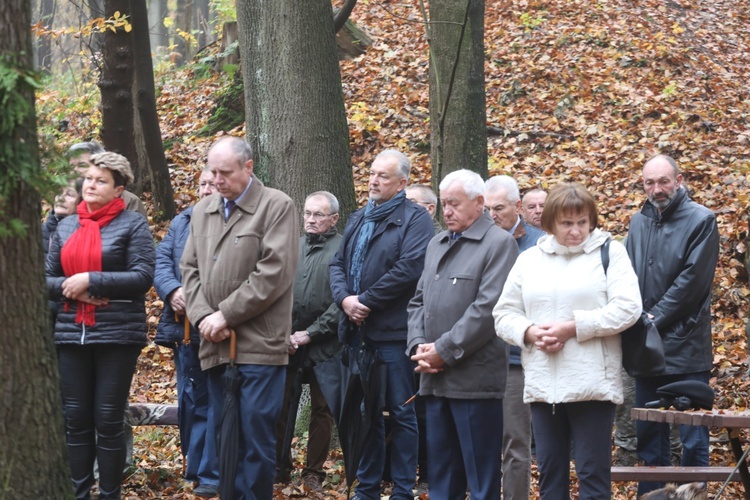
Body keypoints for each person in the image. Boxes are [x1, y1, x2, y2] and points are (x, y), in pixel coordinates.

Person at [493, 182, 642, 499]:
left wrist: (573, 327)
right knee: (550, 476)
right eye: (567, 223)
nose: (576, 231)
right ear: (549, 222)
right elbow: (503, 313)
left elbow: (628, 308)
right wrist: (530, 332)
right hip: (543, 385)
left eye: (582, 222)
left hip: (592, 384)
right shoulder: (530, 259)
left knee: (592, 475)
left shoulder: (609, 252)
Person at [180, 136, 299, 499]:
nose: (216, 179)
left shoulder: (277, 206)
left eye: (225, 172)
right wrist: (203, 317)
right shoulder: (204, 210)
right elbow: (189, 269)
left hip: (259, 347)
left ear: (248, 168)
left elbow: (273, 273)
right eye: (212, 171)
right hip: (215, 344)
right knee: (223, 438)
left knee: (255, 438)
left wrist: (225, 314)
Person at [46, 152, 155, 499]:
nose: (91, 185)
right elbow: (45, 279)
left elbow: (142, 277)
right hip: (69, 332)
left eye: (101, 181)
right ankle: (79, 494)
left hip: (117, 335)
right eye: (89, 179)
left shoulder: (133, 224)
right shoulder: (65, 226)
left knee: (108, 419)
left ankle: (109, 494)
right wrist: (74, 288)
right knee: (75, 418)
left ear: (118, 190)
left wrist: (91, 280)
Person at [329, 149, 434, 500]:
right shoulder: (361, 217)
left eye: (383, 176)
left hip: (394, 335)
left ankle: (403, 490)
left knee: (403, 414)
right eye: (372, 173)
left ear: (402, 183)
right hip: (358, 334)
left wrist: (366, 301)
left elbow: (409, 268)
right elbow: (337, 263)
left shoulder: (416, 218)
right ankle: (368, 488)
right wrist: (346, 300)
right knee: (365, 413)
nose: (373, 180)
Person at [407, 169, 518, 499]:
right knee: (441, 477)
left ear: (480, 202)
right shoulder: (436, 243)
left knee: (481, 479)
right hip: (435, 379)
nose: (447, 212)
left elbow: (487, 310)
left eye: (454, 204)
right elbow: (417, 301)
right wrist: (418, 347)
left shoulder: (499, 244)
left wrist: (443, 350)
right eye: (443, 205)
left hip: (475, 383)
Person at [624, 155, 719, 496]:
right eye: (649, 182)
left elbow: (692, 283)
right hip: (646, 348)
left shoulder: (702, 220)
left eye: (663, 181)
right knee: (649, 438)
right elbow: (626, 274)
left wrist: (653, 319)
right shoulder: (638, 222)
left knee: (693, 436)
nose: (657, 189)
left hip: (686, 345)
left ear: (679, 180)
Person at [153, 167, 219, 497]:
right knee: (188, 399)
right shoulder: (182, 221)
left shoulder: (229, 221)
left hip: (216, 329)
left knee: (210, 400)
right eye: (202, 183)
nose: (207, 189)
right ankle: (193, 464)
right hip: (182, 331)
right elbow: (162, 260)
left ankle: (210, 473)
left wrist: (195, 300)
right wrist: (172, 291)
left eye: (212, 183)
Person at [275, 191, 343, 492]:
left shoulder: (343, 249)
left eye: (318, 214)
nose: (311, 220)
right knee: (280, 406)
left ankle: (313, 472)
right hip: (288, 341)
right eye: (307, 214)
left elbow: (343, 300)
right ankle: (279, 467)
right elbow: (275, 290)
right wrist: (284, 333)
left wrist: (312, 332)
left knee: (322, 409)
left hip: (326, 344)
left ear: (334, 218)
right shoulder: (294, 246)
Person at [485, 174, 545, 499]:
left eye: (499, 208)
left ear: (517, 206)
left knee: (515, 443)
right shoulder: (477, 238)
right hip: (479, 356)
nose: (492, 216)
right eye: (487, 209)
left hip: (515, 360)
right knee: (481, 442)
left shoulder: (539, 244)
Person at [67, 141, 146, 216]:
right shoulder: (63, 196)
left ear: (99, 164)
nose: (74, 170)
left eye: (82, 165)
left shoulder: (129, 201)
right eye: (71, 166)